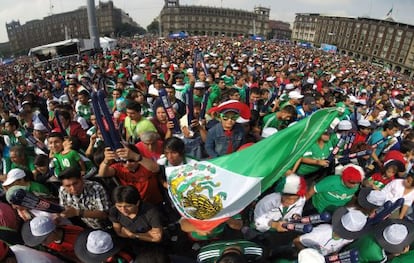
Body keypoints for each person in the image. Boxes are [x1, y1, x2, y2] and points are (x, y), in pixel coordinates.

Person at [98, 144, 163, 205]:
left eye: (131, 160)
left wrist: (135, 156)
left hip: (156, 202)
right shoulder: (119, 167)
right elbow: (102, 174)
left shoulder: (145, 164)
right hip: (136, 204)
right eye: (124, 161)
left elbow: (156, 168)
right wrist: (106, 161)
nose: (127, 164)